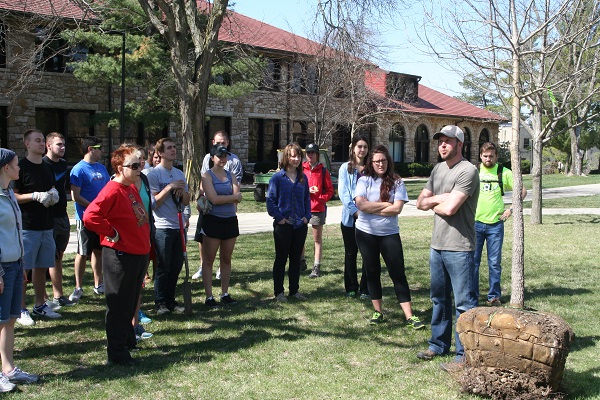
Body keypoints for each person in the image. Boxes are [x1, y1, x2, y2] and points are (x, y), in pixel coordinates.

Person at [415, 125, 479, 368]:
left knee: (464, 303)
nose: (442, 145)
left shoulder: (468, 171)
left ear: (460, 144)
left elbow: (451, 209)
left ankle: (463, 356)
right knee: (439, 299)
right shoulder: (438, 169)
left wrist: (434, 202)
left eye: (448, 141)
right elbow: (419, 202)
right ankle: (437, 345)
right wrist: (441, 198)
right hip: (437, 245)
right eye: (440, 141)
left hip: (460, 247)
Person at [83, 146, 151, 366]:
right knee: (119, 305)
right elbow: (91, 216)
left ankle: (128, 340)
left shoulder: (130, 187)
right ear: (120, 168)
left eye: (140, 164)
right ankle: (117, 352)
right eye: (133, 165)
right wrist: (111, 232)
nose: (139, 168)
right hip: (121, 256)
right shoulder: (112, 189)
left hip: (137, 253)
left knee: (131, 302)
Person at [354, 145, 424, 329]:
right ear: (371, 162)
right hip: (365, 233)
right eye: (376, 161)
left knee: (397, 273)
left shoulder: (397, 182)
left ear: (388, 161)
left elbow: (397, 209)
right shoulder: (364, 180)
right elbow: (361, 205)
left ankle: (409, 316)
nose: (380, 164)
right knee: (372, 271)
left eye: (383, 160)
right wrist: (386, 204)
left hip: (389, 234)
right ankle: (378, 312)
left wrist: (374, 206)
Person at [0, 148, 40, 391]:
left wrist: (22, 262)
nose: (20, 168)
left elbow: (15, 230)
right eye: (16, 165)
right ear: (5, 168)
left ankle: (9, 368)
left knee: (10, 319)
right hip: (2, 267)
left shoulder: (10, 194)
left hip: (15, 264)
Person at [13, 129, 61, 323]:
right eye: (37, 141)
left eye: (43, 140)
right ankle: (21, 308)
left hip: (46, 225)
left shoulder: (47, 167)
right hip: (27, 226)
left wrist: (53, 195)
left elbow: (52, 188)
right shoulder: (20, 167)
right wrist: (34, 196)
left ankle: (40, 305)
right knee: (24, 269)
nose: (42, 144)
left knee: (41, 267)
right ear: (27, 144)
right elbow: (13, 196)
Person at [474, 142, 527, 306]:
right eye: (485, 156)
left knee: (494, 263)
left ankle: (494, 297)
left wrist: (511, 210)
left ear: (496, 156)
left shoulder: (504, 172)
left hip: (495, 225)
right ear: (480, 156)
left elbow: (522, 191)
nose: (488, 159)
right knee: (472, 262)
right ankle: (472, 296)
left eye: (491, 156)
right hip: (475, 223)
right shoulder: (474, 171)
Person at [147, 138, 190, 315]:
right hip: (162, 226)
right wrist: (169, 188)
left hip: (178, 226)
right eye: (169, 148)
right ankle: (160, 303)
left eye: (174, 147)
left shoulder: (179, 173)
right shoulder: (153, 174)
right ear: (160, 153)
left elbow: (187, 201)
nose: (174, 150)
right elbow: (153, 203)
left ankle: (171, 301)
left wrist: (181, 193)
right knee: (163, 267)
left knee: (176, 266)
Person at [192, 130, 243, 280]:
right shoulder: (207, 158)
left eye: (223, 143)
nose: (221, 146)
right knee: (202, 239)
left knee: (225, 250)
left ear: (228, 143)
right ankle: (203, 267)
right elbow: (204, 184)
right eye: (218, 143)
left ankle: (221, 270)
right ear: (213, 143)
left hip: (227, 213)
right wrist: (201, 198)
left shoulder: (234, 161)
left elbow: (236, 193)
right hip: (208, 210)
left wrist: (228, 198)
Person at [266, 143, 311, 302]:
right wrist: (280, 218)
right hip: (283, 226)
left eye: (298, 156)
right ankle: (279, 292)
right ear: (286, 157)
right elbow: (270, 201)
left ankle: (294, 291)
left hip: (300, 225)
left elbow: (307, 199)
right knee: (281, 258)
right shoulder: (278, 178)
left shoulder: (303, 178)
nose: (295, 159)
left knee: (296, 259)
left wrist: (307, 216)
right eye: (292, 155)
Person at [69, 136, 110, 302]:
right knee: (82, 252)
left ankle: (98, 283)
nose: (102, 151)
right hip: (85, 218)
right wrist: (94, 206)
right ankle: (78, 287)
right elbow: (75, 196)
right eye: (99, 147)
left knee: (98, 251)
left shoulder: (102, 168)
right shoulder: (78, 169)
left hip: (101, 218)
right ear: (90, 149)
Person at [201, 144, 242, 307]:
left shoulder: (231, 174)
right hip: (213, 221)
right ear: (212, 158)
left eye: (225, 156)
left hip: (230, 220)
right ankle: (209, 296)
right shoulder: (207, 176)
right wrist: (230, 198)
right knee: (208, 260)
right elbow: (213, 199)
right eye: (219, 156)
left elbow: (238, 197)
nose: (223, 159)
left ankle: (225, 293)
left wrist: (227, 198)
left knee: (226, 259)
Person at [43, 132, 76, 309]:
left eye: (63, 144)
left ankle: (58, 296)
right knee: (47, 258)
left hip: (62, 215)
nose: (62, 147)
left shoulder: (63, 164)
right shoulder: (42, 164)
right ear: (49, 146)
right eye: (58, 145)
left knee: (58, 257)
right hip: (47, 217)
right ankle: (46, 296)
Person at [339, 135, 370, 299]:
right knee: (351, 253)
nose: (362, 149)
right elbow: (343, 193)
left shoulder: (371, 168)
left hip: (368, 219)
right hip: (350, 219)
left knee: (367, 254)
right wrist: (355, 212)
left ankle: (365, 288)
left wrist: (366, 212)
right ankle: (351, 287)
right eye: (359, 146)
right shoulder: (345, 168)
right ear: (353, 148)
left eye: (365, 146)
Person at [301, 143, 334, 278]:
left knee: (317, 239)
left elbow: (330, 190)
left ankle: (316, 266)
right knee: (300, 237)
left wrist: (321, 198)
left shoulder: (323, 171)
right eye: (308, 153)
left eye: (312, 153)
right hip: (303, 207)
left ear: (317, 155)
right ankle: (301, 261)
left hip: (317, 208)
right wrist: (305, 191)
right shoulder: (300, 169)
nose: (310, 155)